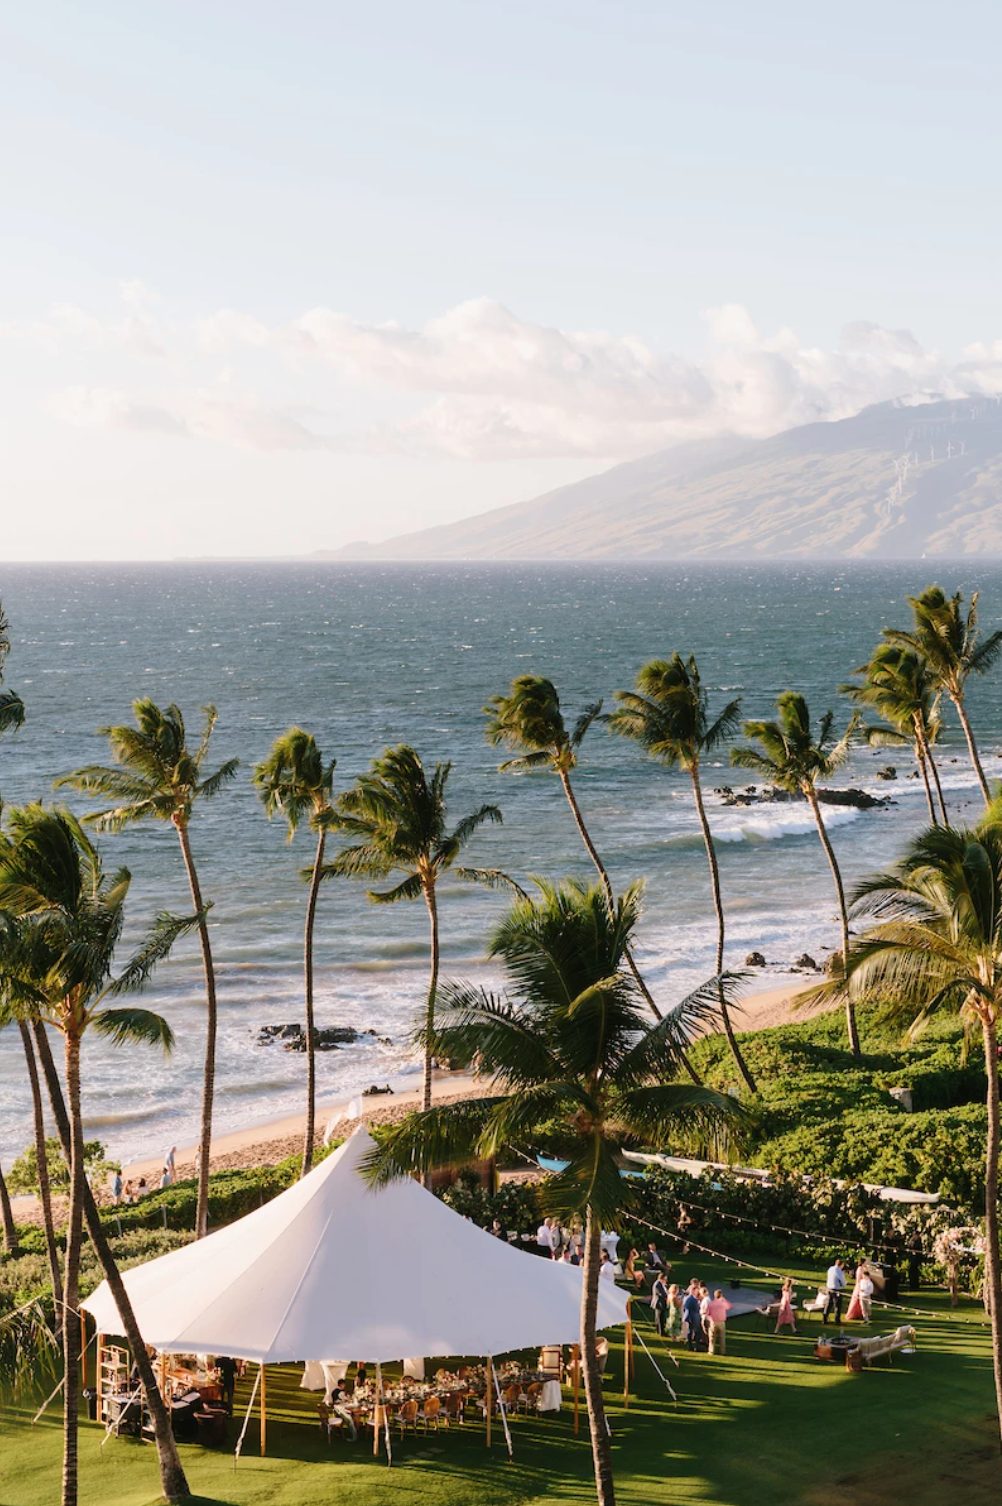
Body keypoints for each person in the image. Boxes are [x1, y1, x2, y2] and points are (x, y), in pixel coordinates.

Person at [705, 1289, 732, 1355]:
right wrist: (724, 1299)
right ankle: (722, 1351)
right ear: (721, 1295)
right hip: (721, 1322)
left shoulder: (711, 1303)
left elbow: (707, 1312)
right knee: (722, 1337)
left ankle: (711, 1351)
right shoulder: (723, 1303)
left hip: (713, 1322)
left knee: (712, 1337)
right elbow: (729, 1306)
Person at [823, 1258, 846, 1324]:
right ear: (841, 1265)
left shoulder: (830, 1269)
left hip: (829, 1288)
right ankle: (837, 1320)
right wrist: (844, 1284)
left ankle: (824, 1318)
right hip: (836, 1289)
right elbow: (842, 1280)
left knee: (829, 1304)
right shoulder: (839, 1271)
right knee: (837, 1305)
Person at [682, 1283, 702, 1351]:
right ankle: (697, 1346)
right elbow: (697, 1309)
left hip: (688, 1316)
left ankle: (690, 1345)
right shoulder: (693, 1299)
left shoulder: (686, 1298)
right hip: (694, 1317)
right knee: (697, 1332)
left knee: (690, 1331)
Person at [651, 1271, 671, 1336]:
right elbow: (662, 1294)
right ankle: (661, 1332)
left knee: (658, 1318)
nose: (666, 1280)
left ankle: (658, 1330)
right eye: (665, 1279)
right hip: (659, 1303)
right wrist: (668, 1297)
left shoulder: (661, 1284)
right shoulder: (658, 1284)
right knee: (660, 1318)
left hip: (660, 1303)